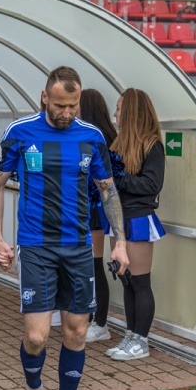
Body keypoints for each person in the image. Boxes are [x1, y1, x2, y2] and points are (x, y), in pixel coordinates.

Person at [0, 66, 129, 390]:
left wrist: (119, 243)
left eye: (73, 105)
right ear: (44, 98)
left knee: (77, 332)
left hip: (78, 248)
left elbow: (108, 190)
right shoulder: (20, 132)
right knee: (36, 337)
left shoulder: (91, 137)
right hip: (36, 246)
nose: (67, 113)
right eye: (60, 105)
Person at [105, 89, 166, 361]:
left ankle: (141, 341)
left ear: (130, 111)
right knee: (127, 281)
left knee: (140, 283)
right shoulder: (118, 143)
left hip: (139, 219)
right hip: (118, 219)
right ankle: (131, 334)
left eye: (119, 108)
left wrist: (118, 180)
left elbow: (152, 185)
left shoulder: (152, 145)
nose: (115, 114)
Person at [80, 89, 120, 345]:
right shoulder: (104, 136)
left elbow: (105, 181)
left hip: (95, 208)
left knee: (94, 265)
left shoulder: (100, 138)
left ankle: (101, 322)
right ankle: (91, 318)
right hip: (89, 207)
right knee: (88, 265)